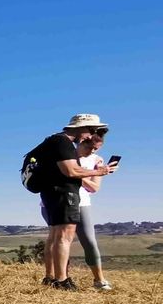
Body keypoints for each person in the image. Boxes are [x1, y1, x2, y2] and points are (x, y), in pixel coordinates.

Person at [33, 114, 116, 290]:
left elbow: (91, 185)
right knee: (62, 237)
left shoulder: (58, 142)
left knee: (61, 237)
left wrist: (95, 172)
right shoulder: (64, 145)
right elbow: (70, 171)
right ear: (82, 129)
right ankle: (60, 279)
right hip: (64, 195)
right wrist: (96, 172)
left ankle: (59, 278)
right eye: (90, 132)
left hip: (63, 196)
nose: (90, 137)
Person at [73, 134, 114, 290]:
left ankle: (99, 279)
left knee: (89, 241)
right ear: (81, 141)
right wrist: (80, 173)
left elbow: (94, 187)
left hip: (82, 202)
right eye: (89, 147)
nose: (91, 151)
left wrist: (75, 174)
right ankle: (59, 277)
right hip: (57, 201)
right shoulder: (66, 154)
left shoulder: (97, 161)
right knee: (60, 241)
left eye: (96, 149)